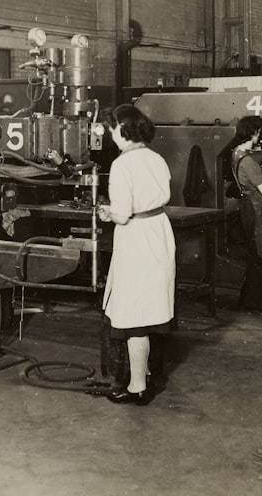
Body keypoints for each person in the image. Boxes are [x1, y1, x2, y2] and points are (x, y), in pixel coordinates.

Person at [96, 104, 175, 406]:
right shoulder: (156, 158)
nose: (110, 135)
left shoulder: (122, 164)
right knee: (151, 309)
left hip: (136, 238)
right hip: (158, 231)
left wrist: (107, 213)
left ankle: (137, 387)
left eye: (112, 128)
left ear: (123, 129)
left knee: (134, 318)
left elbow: (122, 214)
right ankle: (147, 374)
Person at [228, 115, 262, 313]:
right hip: (258, 207)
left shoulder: (237, 153)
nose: (260, 136)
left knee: (255, 255)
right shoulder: (249, 161)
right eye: (259, 132)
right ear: (253, 132)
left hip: (247, 205)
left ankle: (247, 301)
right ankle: (257, 304)